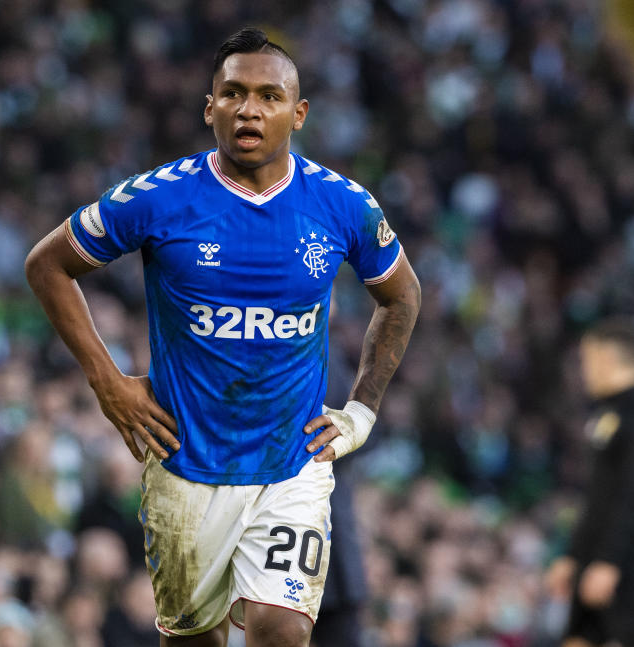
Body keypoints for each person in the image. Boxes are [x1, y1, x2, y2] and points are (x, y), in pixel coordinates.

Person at [25, 27, 420, 647]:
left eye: (268, 95)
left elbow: (401, 296)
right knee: (193, 641)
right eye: (232, 93)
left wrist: (362, 410)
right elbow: (47, 265)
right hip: (186, 463)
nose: (249, 109)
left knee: (281, 630)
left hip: (290, 465)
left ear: (299, 113)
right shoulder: (158, 198)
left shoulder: (344, 205)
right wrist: (107, 380)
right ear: (210, 107)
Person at [545, 317, 634, 647]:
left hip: (625, 569)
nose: (584, 370)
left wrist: (609, 562)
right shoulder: (607, 414)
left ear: (608, 358)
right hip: (592, 562)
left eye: (587, 360)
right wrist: (572, 555)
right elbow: (596, 499)